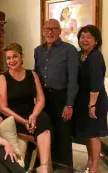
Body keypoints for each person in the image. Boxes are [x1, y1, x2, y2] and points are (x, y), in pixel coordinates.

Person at [0, 43, 52, 168]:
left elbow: (40, 99)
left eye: (15, 56)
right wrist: (23, 121)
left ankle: (43, 168)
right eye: (8, 58)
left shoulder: (32, 74)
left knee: (43, 120)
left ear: (22, 56)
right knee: (43, 134)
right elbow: (2, 107)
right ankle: (45, 167)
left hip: (30, 114)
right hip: (13, 117)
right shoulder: (2, 78)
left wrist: (34, 115)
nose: (12, 60)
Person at [34, 19, 79, 168]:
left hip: (62, 98)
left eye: (54, 29)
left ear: (60, 31)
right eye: (47, 29)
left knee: (64, 135)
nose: (50, 32)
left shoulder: (69, 50)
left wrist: (69, 104)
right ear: (42, 31)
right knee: (47, 133)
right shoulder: (38, 51)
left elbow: (73, 80)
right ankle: (49, 167)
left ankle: (65, 169)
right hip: (44, 99)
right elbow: (37, 77)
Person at [73, 25, 108, 173]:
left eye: (89, 37)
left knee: (93, 134)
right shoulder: (80, 54)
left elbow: (96, 83)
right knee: (87, 133)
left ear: (96, 41)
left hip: (95, 100)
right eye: (82, 36)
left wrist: (91, 105)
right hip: (83, 100)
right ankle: (89, 161)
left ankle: (94, 168)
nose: (85, 40)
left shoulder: (96, 56)